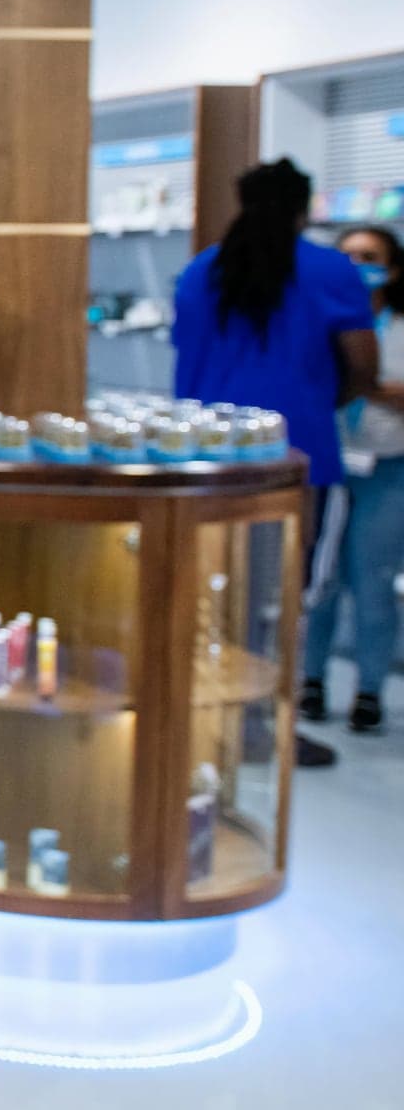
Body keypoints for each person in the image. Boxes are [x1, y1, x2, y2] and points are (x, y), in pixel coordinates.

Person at [173, 157, 377, 769]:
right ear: (303, 209)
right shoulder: (331, 270)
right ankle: (264, 724)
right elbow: (362, 366)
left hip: (208, 458)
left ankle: (206, 718)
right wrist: (318, 401)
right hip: (295, 458)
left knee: (212, 588)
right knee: (283, 595)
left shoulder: (201, 271)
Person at [301, 225, 404, 734]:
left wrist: (361, 382)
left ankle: (369, 690)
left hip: (387, 467)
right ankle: (311, 680)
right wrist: (378, 385)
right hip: (328, 463)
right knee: (321, 579)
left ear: (394, 267)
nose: (359, 266)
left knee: (373, 579)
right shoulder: (321, 320)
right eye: (349, 256)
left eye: (370, 256)